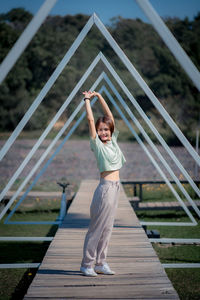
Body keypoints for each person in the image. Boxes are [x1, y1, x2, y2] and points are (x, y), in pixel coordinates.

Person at [80, 91, 126, 277]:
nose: (104, 132)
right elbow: (91, 121)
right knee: (97, 228)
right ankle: (87, 265)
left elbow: (111, 118)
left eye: (106, 129)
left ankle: (100, 263)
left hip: (116, 188)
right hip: (105, 189)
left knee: (107, 229)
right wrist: (87, 101)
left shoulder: (113, 141)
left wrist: (100, 96)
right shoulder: (96, 144)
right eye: (101, 130)